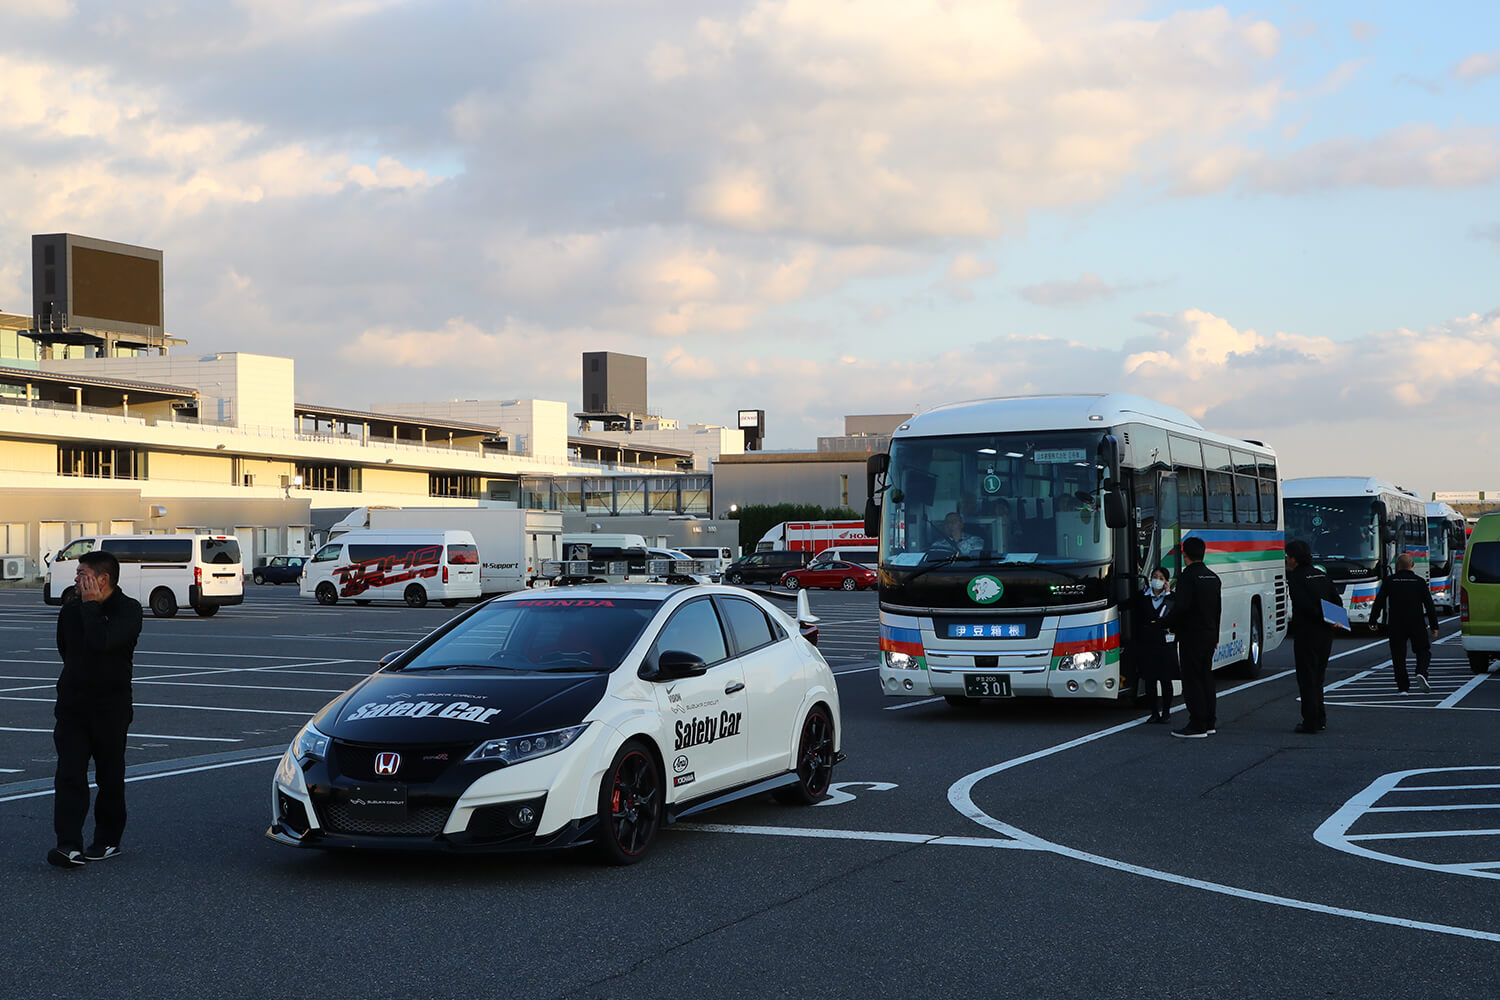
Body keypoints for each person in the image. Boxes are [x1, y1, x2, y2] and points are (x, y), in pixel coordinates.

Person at [49, 550, 142, 869]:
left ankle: (107, 839)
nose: (76, 578)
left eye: (82, 573)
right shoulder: (70, 610)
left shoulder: (128, 610)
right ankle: (68, 845)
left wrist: (90, 607)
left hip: (110, 708)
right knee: (69, 774)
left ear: (103, 579)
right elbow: (66, 650)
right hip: (73, 707)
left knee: (110, 776)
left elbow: (103, 642)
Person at [1165, 536, 1221, 739]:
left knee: (1192, 679)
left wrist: (1165, 623)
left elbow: (1181, 607)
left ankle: (1197, 724)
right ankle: (1209, 721)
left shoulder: (1187, 577)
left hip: (1191, 635)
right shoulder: (1212, 577)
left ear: (1184, 554)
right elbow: (1217, 610)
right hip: (1209, 634)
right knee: (1206, 677)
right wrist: (1215, 634)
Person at [1286, 539, 1338, 733]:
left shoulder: (1296, 578)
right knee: (1319, 677)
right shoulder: (1320, 575)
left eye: (1288, 557)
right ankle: (1321, 717)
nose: (1288, 560)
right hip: (1326, 633)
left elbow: (1304, 605)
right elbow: (1336, 599)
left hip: (1306, 632)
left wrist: (1318, 615)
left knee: (1306, 678)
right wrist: (1331, 618)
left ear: (1294, 559)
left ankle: (1310, 721)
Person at [1370, 552, 1441, 695]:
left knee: (1398, 655)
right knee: (1423, 651)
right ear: (1412, 565)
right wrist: (1434, 626)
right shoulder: (1419, 582)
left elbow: (1380, 601)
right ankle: (1421, 672)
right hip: (1416, 622)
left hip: (1396, 623)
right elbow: (1429, 605)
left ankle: (1403, 687)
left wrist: (1373, 620)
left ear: (1397, 566)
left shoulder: (1390, 581)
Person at [1128, 566, 1179, 723]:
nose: (1156, 580)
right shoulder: (1142, 596)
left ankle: (1166, 712)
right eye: (1154, 576)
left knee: (1165, 679)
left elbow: (1175, 615)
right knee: (1150, 679)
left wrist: (1168, 593)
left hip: (1165, 644)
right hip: (1146, 643)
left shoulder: (1172, 598)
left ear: (1166, 582)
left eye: (1160, 578)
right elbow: (1127, 606)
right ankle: (1154, 712)